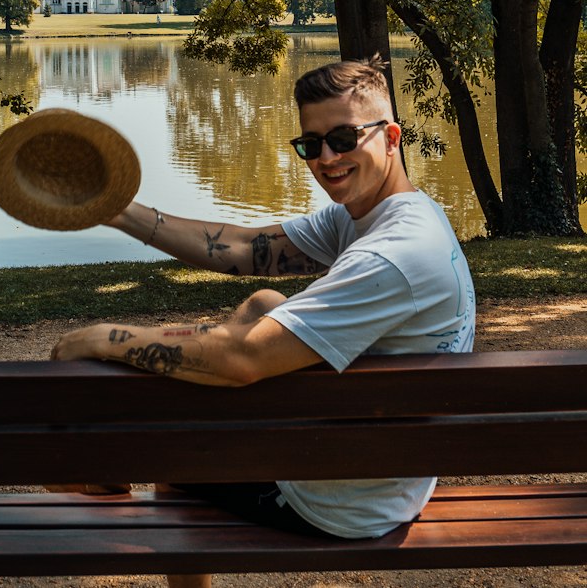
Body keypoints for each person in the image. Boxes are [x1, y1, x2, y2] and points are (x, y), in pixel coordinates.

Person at [50, 54, 476, 584]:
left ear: (391, 137)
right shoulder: (383, 213)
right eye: (310, 145)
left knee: (172, 452)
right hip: (385, 464)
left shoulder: (392, 254)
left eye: (343, 139)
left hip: (343, 499)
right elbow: (248, 248)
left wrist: (103, 338)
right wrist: (118, 211)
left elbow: (243, 358)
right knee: (262, 303)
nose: (326, 158)